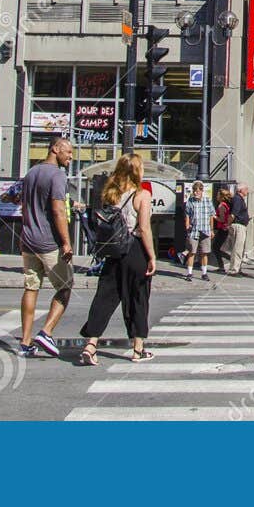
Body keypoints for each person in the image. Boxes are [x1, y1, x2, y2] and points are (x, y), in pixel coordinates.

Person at [78, 154, 157, 365]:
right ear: (137, 171)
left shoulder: (110, 193)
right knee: (138, 298)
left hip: (113, 252)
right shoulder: (142, 195)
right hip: (135, 250)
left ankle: (91, 344)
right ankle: (138, 349)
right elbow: (144, 228)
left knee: (105, 297)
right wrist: (152, 256)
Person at [18, 137, 74, 358]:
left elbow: (23, 205)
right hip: (48, 242)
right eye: (68, 152)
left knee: (31, 288)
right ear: (55, 148)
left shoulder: (31, 173)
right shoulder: (57, 175)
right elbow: (59, 211)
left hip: (28, 240)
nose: (70, 157)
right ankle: (46, 332)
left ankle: (24, 342)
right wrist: (66, 242)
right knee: (66, 287)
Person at [183, 181, 215, 281]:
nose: (196, 193)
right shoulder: (190, 201)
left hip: (205, 229)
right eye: (194, 191)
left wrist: (211, 229)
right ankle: (189, 273)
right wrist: (187, 224)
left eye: (198, 191)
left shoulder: (207, 200)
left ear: (201, 191)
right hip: (194, 229)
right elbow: (187, 213)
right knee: (192, 252)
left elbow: (211, 215)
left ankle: (204, 273)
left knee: (204, 252)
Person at [227, 183, 251, 274]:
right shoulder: (237, 199)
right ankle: (234, 270)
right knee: (237, 248)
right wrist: (228, 224)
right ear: (241, 190)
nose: (247, 191)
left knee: (240, 248)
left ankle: (238, 268)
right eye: (246, 189)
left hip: (242, 226)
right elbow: (233, 213)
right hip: (238, 225)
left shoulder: (240, 199)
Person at [213, 187, 234, 272]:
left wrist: (214, 216)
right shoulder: (225, 204)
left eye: (218, 195)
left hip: (223, 228)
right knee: (217, 247)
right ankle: (228, 261)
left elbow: (221, 219)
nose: (216, 196)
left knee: (215, 247)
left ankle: (225, 264)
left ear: (221, 196)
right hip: (224, 228)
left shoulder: (221, 206)